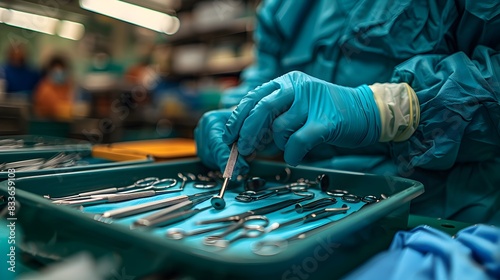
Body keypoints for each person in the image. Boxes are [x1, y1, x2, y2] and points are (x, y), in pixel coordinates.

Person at [195, 0, 500, 225]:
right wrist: (237, 117)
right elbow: (262, 80)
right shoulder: (283, 9)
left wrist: (385, 111)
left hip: (435, 215)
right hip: (305, 208)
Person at [33, 55, 74, 121]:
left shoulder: (65, 87)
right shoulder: (45, 88)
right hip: (46, 125)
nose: (59, 74)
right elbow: (55, 109)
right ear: (50, 71)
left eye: (62, 70)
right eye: (56, 71)